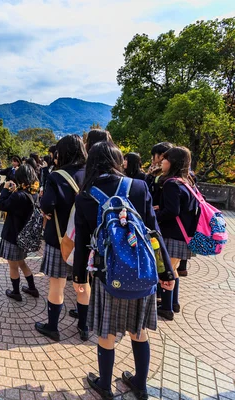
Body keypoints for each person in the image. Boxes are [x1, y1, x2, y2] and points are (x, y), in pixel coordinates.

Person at [73, 141, 175, 399]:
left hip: (107, 274)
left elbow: (83, 242)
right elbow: (153, 233)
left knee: (107, 331)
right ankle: (140, 384)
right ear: (118, 160)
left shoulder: (85, 195)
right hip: (142, 271)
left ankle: (104, 385)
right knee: (137, 330)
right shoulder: (138, 187)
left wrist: (79, 278)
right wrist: (167, 273)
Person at [35, 134, 89, 342]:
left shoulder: (57, 176)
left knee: (57, 284)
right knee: (83, 283)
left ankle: (52, 327)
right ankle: (84, 327)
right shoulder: (91, 174)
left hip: (60, 239)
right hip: (85, 240)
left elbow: (47, 205)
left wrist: (46, 210)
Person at [154, 147, 198, 320]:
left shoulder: (171, 183)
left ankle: (166, 307)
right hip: (183, 234)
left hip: (172, 234)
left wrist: (155, 215)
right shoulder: (186, 181)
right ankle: (173, 302)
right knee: (173, 270)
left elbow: (172, 211)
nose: (161, 162)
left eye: (165, 159)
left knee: (166, 271)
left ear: (173, 162)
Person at [0, 164, 40, 301]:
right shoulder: (33, 194)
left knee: (13, 266)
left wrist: (5, 189)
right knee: (21, 263)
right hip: (23, 236)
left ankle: (16, 292)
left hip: (13, 236)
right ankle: (32, 288)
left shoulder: (18, 196)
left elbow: (2, 205)